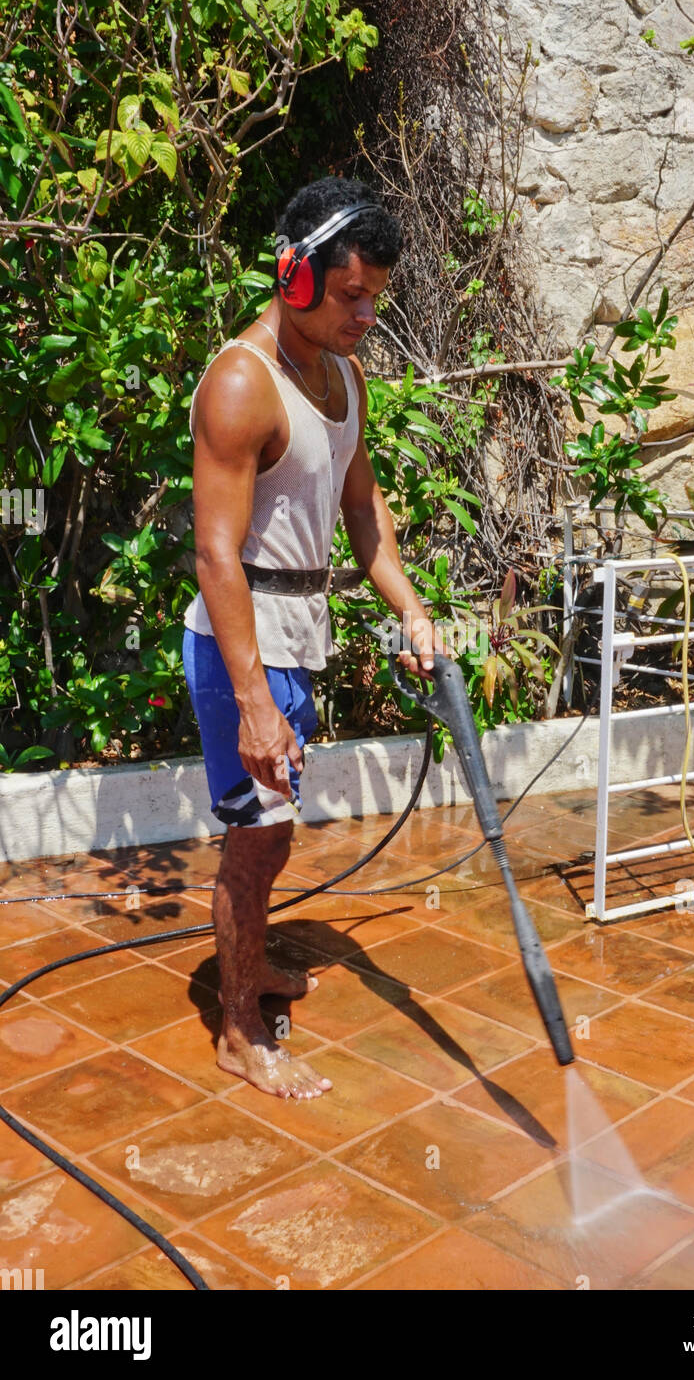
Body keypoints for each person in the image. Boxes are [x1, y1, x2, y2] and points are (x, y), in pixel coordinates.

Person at [181, 177, 442, 1101]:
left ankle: (248, 968)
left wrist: (409, 608)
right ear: (295, 278)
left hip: (301, 629)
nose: (366, 314)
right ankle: (239, 1029)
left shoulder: (342, 376)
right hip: (239, 641)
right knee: (256, 841)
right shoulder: (243, 385)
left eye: (377, 296)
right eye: (350, 295)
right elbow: (216, 556)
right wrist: (253, 703)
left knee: (276, 836)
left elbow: (365, 515)